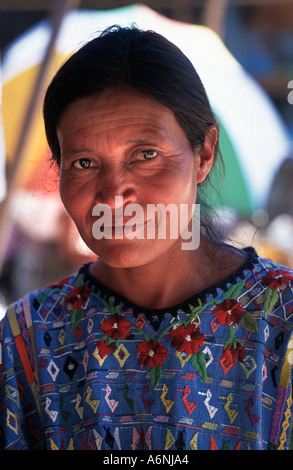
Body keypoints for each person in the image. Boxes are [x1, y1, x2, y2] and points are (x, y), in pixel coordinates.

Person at [0, 26, 293, 451]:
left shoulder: (280, 321)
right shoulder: (29, 338)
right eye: (84, 162)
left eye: (146, 155)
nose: (115, 195)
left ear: (204, 154)